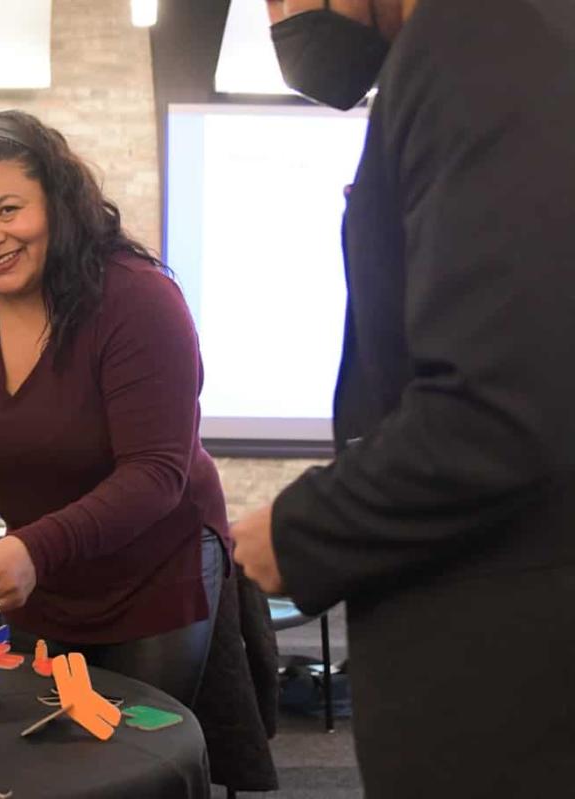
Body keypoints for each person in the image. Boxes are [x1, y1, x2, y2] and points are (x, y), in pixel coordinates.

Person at [232, 1, 575, 796]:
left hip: (504, 674)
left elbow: (501, 406)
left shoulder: (479, 39)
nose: (279, 17)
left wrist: (300, 527)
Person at [0, 110, 229, 706]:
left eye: (8, 210)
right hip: (40, 572)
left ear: (60, 204)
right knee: (41, 752)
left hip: (154, 567)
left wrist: (36, 548)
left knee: (131, 756)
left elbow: (156, 473)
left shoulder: (139, 301)